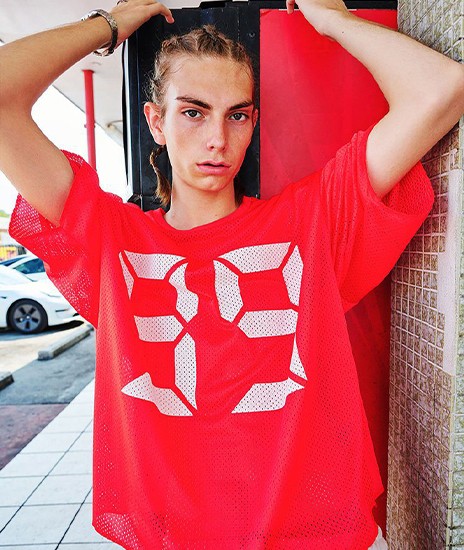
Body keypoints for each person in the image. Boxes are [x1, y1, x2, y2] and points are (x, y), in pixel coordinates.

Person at [1, 0, 463, 548]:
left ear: (252, 123)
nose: (218, 138)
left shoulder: (313, 220)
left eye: (236, 114)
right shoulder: (108, 238)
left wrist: (334, 21)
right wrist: (109, 25)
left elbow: (441, 90)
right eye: (193, 112)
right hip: (172, 535)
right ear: (156, 122)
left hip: (309, 532)